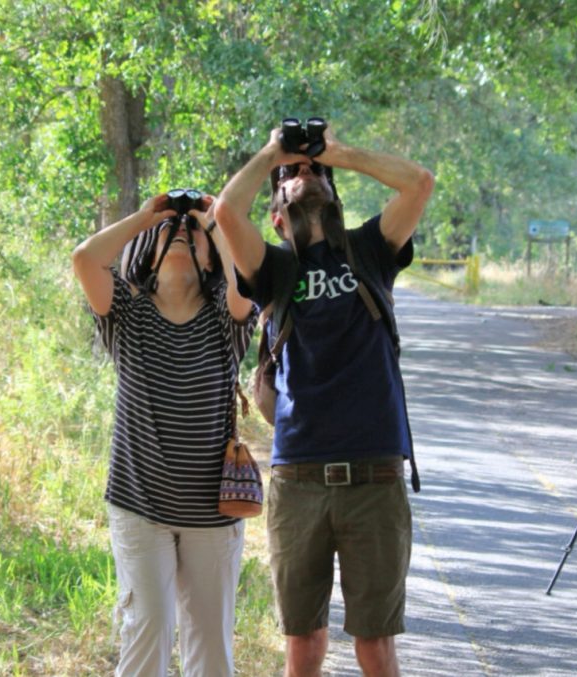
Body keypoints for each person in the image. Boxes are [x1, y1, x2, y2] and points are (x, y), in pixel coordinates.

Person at [214, 124, 434, 677]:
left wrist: (336, 152)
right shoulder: (273, 269)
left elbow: (418, 183)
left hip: (374, 481)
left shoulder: (371, 249)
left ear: (335, 195)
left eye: (316, 172)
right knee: (304, 646)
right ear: (276, 217)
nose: (305, 172)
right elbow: (225, 213)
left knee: (375, 646)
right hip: (299, 482)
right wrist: (274, 154)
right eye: (291, 175)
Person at [72, 191, 256, 677]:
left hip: (213, 514)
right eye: (167, 231)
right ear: (147, 251)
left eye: (191, 230)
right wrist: (148, 216)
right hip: (140, 507)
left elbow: (247, 279)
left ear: (211, 256)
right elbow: (85, 259)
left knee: (211, 649)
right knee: (147, 632)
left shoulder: (227, 319)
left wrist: (213, 220)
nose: (180, 231)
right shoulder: (127, 314)